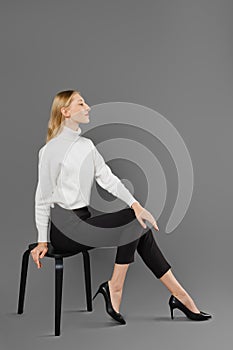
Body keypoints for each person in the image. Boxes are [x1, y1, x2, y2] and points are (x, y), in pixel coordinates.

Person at [31, 89, 212, 324]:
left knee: (138, 224)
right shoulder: (50, 151)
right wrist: (42, 240)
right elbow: (42, 197)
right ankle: (123, 289)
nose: (88, 107)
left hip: (84, 221)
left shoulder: (86, 146)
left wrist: (136, 205)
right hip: (65, 229)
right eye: (81, 104)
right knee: (134, 221)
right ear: (65, 112)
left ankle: (178, 295)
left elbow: (109, 179)